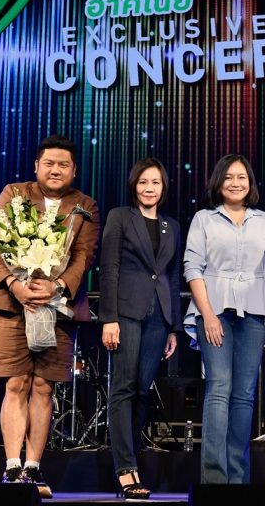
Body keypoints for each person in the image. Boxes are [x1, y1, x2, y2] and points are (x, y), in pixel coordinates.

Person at [0, 135, 100, 498]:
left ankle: (33, 466)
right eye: (49, 163)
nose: (55, 170)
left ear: (74, 170)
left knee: (44, 386)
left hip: (58, 308)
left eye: (63, 164)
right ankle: (12, 466)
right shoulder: (14, 193)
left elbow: (85, 255)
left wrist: (58, 286)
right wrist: (16, 286)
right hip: (11, 304)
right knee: (16, 382)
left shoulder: (85, 205)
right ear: (36, 166)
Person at [183, 154, 265, 484]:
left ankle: (237, 480)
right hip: (214, 310)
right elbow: (192, 268)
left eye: (241, 177)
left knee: (244, 394)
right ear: (218, 182)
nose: (235, 183)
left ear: (250, 183)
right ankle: (214, 479)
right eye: (228, 177)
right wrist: (208, 314)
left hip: (255, 312)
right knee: (220, 387)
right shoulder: (204, 219)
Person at [99, 157, 182, 499]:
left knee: (142, 391)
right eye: (143, 182)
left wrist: (173, 326)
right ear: (134, 185)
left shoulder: (171, 225)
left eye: (155, 182)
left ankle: (132, 463)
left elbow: (172, 276)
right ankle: (125, 469)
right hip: (126, 312)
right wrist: (109, 318)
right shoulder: (120, 216)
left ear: (164, 187)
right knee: (124, 387)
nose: (149, 188)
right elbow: (109, 267)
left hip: (159, 316)